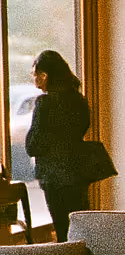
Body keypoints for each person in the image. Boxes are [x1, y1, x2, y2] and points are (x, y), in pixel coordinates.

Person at [24, 50, 92, 242]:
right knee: (79, 228)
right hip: (78, 171)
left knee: (62, 229)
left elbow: (33, 145)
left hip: (54, 176)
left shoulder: (45, 103)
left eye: (34, 74)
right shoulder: (79, 100)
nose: (33, 79)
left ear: (45, 75)